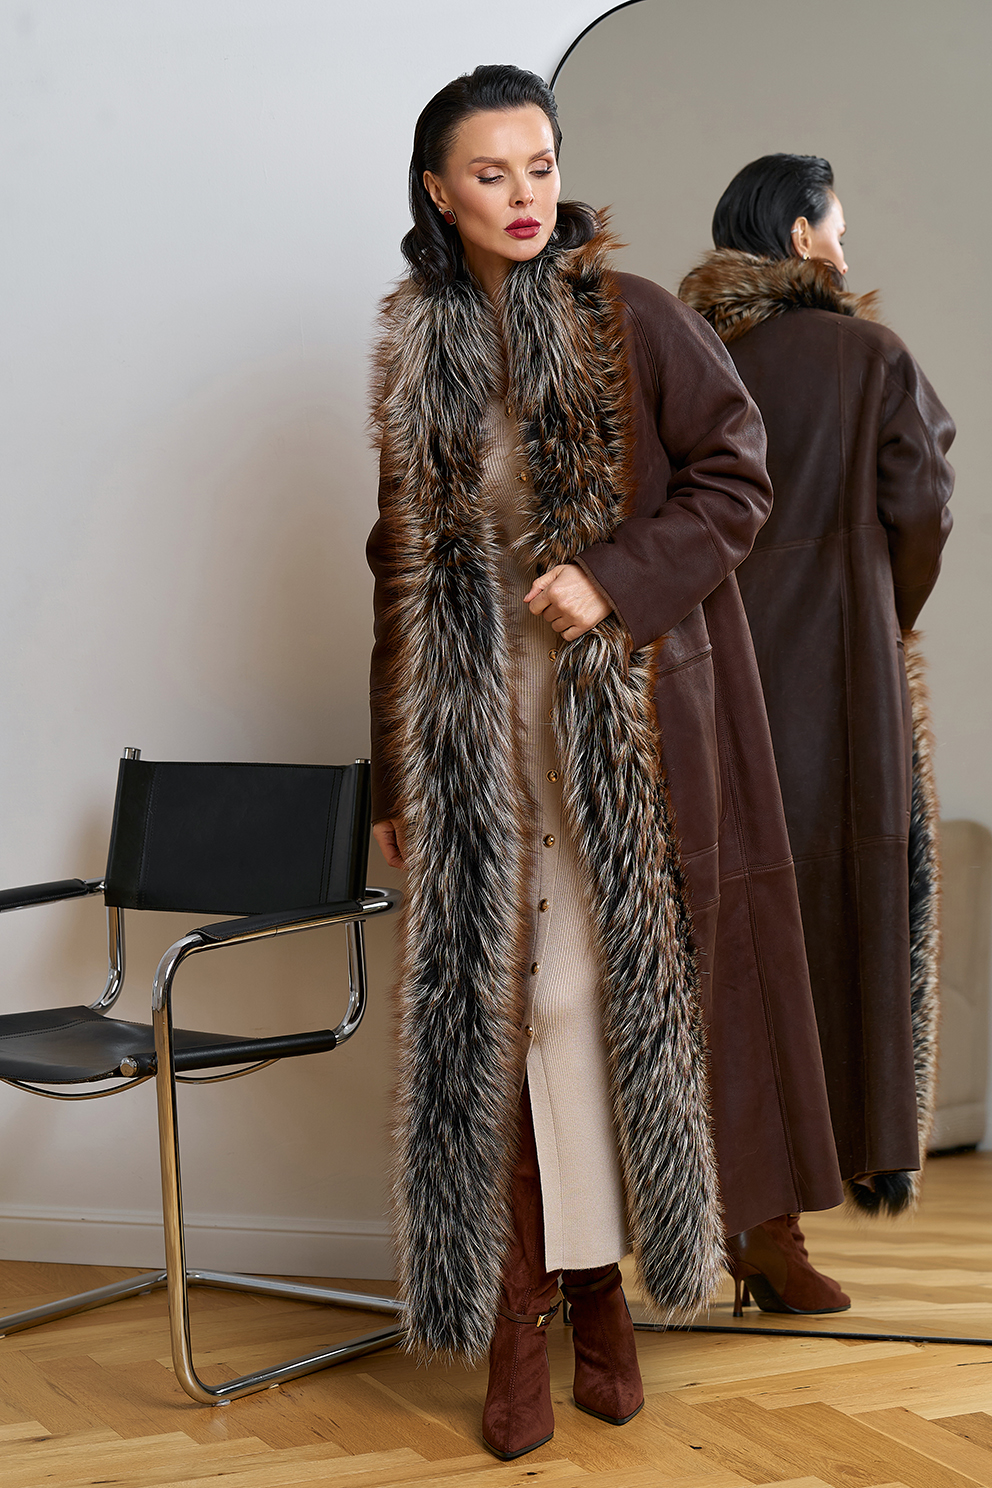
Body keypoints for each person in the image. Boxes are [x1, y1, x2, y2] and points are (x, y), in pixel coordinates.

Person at [367, 72, 843, 1462]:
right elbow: (395, 579)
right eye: (491, 173)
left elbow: (735, 477)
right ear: (437, 190)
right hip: (474, 733)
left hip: (620, 719)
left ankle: (585, 1293)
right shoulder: (419, 353)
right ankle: (538, 1312)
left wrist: (613, 578)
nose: (524, 195)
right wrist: (393, 776)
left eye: (539, 165)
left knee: (574, 1000)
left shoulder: (630, 316)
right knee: (498, 1016)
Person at [679, 156, 954, 1294]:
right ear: (800, 235)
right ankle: (775, 1233)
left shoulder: (686, 359)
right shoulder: (867, 356)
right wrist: (879, 614)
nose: (844, 242)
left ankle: (744, 1221)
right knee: (838, 938)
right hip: (840, 689)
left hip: (701, 685)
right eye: (836, 224)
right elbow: (921, 507)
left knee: (726, 948)